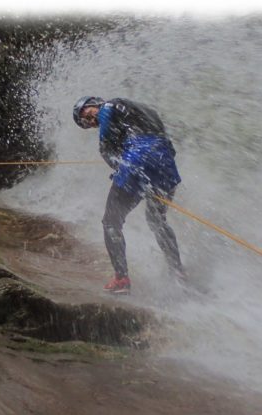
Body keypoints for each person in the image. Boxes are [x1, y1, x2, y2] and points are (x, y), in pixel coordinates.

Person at [73, 96, 185, 294]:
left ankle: (121, 278)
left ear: (94, 103)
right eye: (86, 124)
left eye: (86, 115)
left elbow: (106, 143)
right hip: (164, 161)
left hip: (136, 158)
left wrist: (118, 166)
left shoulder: (108, 106)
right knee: (156, 220)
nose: (91, 122)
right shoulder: (144, 109)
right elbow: (166, 141)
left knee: (111, 222)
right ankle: (178, 272)